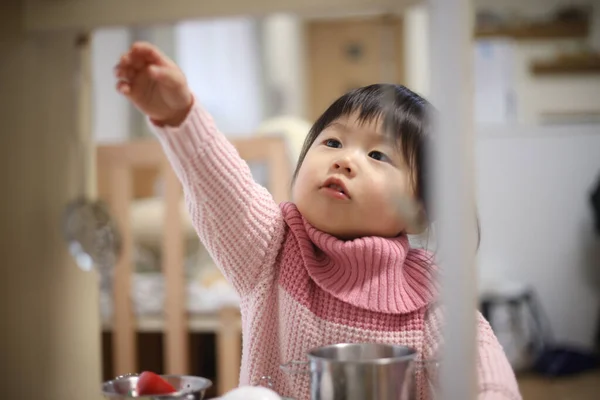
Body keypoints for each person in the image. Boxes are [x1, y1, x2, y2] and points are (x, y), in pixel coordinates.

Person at [114, 42, 521, 400]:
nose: (345, 159)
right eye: (332, 142)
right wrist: (181, 118)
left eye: (378, 156)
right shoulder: (272, 247)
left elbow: (477, 364)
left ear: (419, 210)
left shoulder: (429, 294)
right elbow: (224, 193)